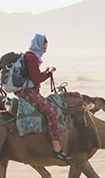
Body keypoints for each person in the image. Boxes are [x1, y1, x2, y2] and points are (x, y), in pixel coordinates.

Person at [17, 34, 72, 162]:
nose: (45, 51)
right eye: (44, 47)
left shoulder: (28, 56)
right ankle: (57, 149)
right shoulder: (32, 59)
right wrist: (49, 73)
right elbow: (36, 79)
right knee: (52, 114)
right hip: (29, 92)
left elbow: (33, 76)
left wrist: (45, 72)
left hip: (25, 90)